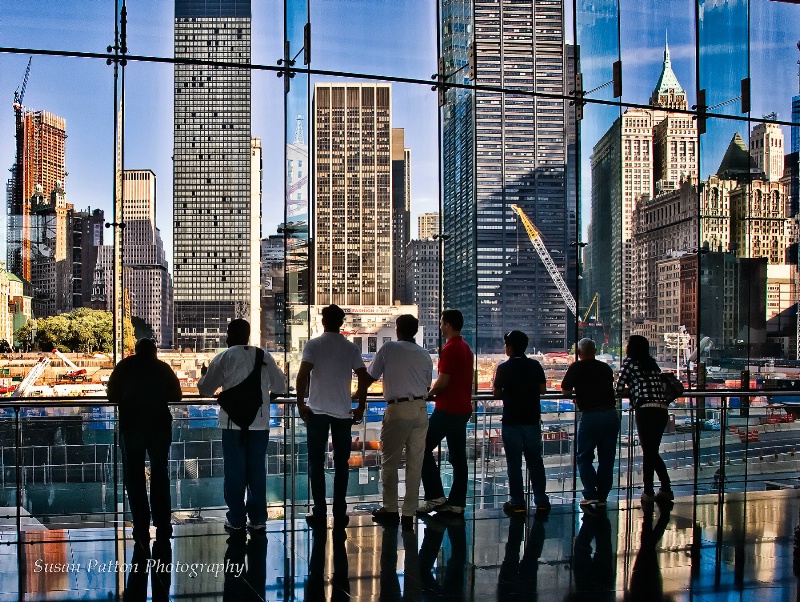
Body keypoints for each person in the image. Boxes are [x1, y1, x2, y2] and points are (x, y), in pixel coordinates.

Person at [198, 319, 286, 532]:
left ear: (231, 334)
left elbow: (206, 390)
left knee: (235, 472)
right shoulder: (263, 356)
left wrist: (204, 376)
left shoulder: (224, 357)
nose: (226, 337)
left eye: (227, 332)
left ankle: (236, 518)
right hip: (259, 423)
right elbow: (281, 386)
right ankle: (257, 519)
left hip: (232, 424)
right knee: (257, 472)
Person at [295, 304, 370, 529]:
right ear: (341, 323)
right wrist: (361, 405)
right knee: (342, 464)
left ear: (323, 320)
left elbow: (302, 376)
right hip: (342, 414)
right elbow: (364, 378)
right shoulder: (351, 349)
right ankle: (340, 510)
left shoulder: (313, 345)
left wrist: (300, 404)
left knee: (315, 463)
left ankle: (319, 510)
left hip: (316, 412)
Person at [358, 314, 433, 530]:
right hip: (420, 409)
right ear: (416, 331)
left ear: (398, 329)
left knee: (390, 461)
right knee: (415, 463)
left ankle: (390, 508)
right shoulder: (424, 354)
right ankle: (409, 512)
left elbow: (370, 376)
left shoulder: (389, 349)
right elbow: (426, 385)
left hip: (397, 408)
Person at [108, 338, 181, 546]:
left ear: (135, 351)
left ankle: (141, 523)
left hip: (131, 426)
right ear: (154, 352)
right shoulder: (163, 368)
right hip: (159, 426)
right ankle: (162, 522)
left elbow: (111, 395)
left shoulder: (124, 367)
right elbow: (177, 396)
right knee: (160, 473)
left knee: (134, 476)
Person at [418, 309, 474, 517]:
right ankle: (457, 502)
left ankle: (435, 496)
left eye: (442, 323)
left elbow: (442, 382)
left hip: (448, 409)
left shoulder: (450, 349)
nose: (440, 326)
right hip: (462, 409)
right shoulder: (466, 348)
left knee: (421, 447)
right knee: (458, 458)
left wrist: (428, 395)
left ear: (448, 324)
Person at [492, 330, 550, 516]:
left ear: (509, 347)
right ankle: (541, 500)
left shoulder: (503, 368)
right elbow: (542, 389)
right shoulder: (535, 365)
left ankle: (517, 502)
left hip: (512, 420)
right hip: (532, 420)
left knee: (514, 464)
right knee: (535, 462)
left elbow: (497, 393)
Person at [561, 338, 619, 509]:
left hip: (591, 416)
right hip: (610, 414)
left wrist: (577, 395)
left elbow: (565, 391)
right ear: (595, 351)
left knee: (584, 457)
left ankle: (590, 493)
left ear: (579, 353)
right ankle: (602, 496)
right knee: (607, 459)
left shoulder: (576, 368)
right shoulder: (605, 368)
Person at [615, 335, 673, 504]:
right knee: (652, 451)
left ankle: (649, 491)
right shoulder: (652, 363)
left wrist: (630, 391)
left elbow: (618, 387)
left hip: (645, 410)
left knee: (649, 452)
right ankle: (664, 488)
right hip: (662, 410)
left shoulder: (630, 362)